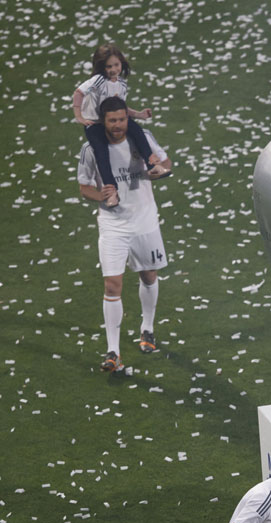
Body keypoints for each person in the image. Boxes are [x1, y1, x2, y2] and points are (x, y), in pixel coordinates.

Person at [77, 96, 171, 371]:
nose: (118, 125)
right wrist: (102, 198)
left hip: (144, 222)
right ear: (103, 121)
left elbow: (167, 163)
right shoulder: (91, 149)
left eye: (122, 119)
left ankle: (147, 328)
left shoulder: (142, 138)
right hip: (113, 225)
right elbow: (84, 188)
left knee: (149, 275)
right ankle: (113, 351)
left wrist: (157, 173)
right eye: (112, 120)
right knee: (112, 286)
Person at [73, 43, 170, 207]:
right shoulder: (97, 81)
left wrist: (139, 114)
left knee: (138, 132)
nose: (113, 69)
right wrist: (79, 116)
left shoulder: (122, 83)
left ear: (122, 63)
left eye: (116, 65)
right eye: (108, 66)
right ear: (101, 66)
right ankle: (112, 193)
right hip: (96, 124)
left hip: (115, 120)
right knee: (102, 155)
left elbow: (122, 108)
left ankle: (154, 165)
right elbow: (78, 93)